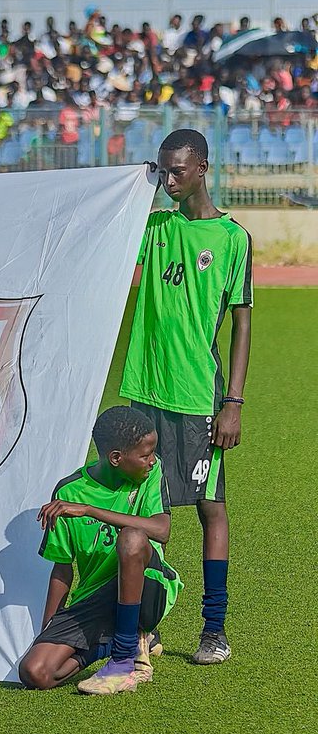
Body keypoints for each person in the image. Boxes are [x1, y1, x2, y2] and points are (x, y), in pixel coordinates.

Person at [119, 128, 252, 664]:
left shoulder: (232, 239)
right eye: (162, 171)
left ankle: (213, 628)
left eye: (177, 171)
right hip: (143, 391)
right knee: (139, 507)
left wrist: (233, 401)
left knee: (208, 508)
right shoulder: (152, 228)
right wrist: (140, 185)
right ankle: (141, 625)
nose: (169, 180)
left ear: (202, 168)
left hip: (199, 395)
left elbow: (242, 323)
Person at [19, 406, 182, 695]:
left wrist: (91, 511)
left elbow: (161, 530)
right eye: (145, 455)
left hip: (149, 587)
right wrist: (48, 629)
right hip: (95, 599)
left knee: (131, 539)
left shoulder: (152, 474)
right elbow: (62, 566)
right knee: (36, 672)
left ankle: (122, 662)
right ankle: (125, 640)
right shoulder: (68, 493)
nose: (152, 460)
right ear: (116, 458)